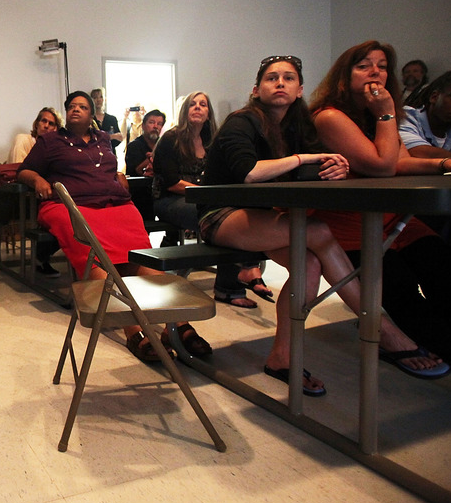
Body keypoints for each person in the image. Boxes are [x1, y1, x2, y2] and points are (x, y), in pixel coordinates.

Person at [198, 54, 448, 397]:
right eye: (272, 78)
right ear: (256, 90)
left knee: (310, 262)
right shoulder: (241, 122)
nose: (280, 83)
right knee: (318, 230)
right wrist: (306, 159)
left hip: (267, 217)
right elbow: (249, 171)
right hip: (219, 215)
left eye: (288, 78)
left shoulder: (297, 126)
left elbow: (319, 164)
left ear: (300, 90)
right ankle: (381, 327)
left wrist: (335, 168)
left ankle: (282, 359)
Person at [309, 41, 451, 410]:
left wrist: (446, 164)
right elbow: (380, 165)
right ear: (344, 79)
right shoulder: (329, 116)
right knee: (397, 289)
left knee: (446, 268)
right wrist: (385, 114)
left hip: (393, 219)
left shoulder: (384, 115)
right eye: (364, 66)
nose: (376, 72)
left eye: (382, 66)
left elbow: (402, 161)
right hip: (348, 224)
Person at [18, 90, 213, 360]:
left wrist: (118, 174)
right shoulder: (51, 141)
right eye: (71, 106)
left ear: (91, 115)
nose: (76, 109)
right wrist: (37, 180)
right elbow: (24, 170)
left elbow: (109, 167)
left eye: (83, 106)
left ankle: (175, 323)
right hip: (70, 205)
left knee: (139, 257)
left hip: (114, 204)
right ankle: (133, 330)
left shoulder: (102, 139)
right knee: (97, 259)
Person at [152, 91, 273, 308]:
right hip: (170, 201)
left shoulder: (213, 140)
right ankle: (240, 276)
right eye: (193, 104)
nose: (198, 107)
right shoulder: (170, 139)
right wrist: (206, 194)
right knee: (225, 220)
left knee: (240, 217)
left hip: (207, 199)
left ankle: (239, 277)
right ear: (184, 111)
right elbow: (172, 183)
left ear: (209, 113)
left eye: (203, 104)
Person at [7, 107, 64, 275]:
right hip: (21, 196)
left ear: (56, 129)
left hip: (45, 195)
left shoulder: (57, 146)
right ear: (37, 123)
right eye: (43, 120)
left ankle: (41, 257)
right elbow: (19, 169)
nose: (46, 125)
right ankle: (40, 258)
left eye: (51, 123)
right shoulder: (24, 140)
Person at [124, 109, 165, 176]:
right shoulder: (134, 146)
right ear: (143, 126)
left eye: (159, 124)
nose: (155, 126)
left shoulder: (165, 145)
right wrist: (153, 157)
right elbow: (136, 171)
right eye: (151, 122)